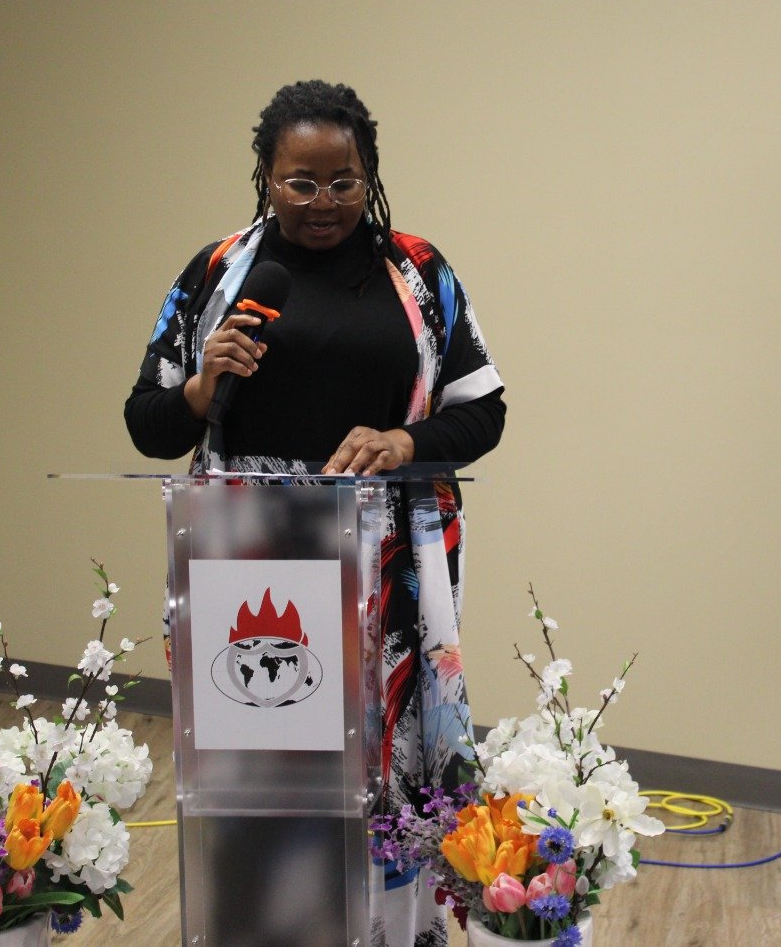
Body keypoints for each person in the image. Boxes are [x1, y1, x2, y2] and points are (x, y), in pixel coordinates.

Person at [124, 80, 505, 945]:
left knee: (390, 774)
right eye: (301, 182)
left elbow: (484, 412)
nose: (324, 201)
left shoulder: (418, 272)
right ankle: (263, 926)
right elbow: (147, 424)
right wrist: (200, 388)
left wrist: (403, 442)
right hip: (244, 567)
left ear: (371, 175)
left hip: (389, 575)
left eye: (344, 181)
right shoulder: (220, 273)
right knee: (265, 778)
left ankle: (394, 932)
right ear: (266, 175)